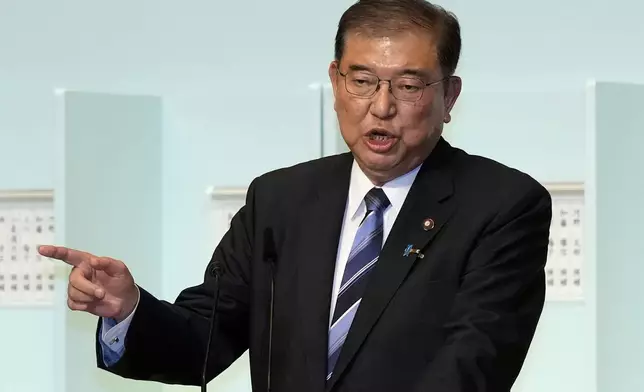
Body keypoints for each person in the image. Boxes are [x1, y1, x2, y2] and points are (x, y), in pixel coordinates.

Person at [38, 0, 553, 391]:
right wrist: (128, 311)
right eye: (363, 80)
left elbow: (474, 364)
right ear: (335, 82)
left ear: (449, 96)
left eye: (409, 86)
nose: (381, 106)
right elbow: (204, 338)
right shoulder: (280, 200)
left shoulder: (502, 205)